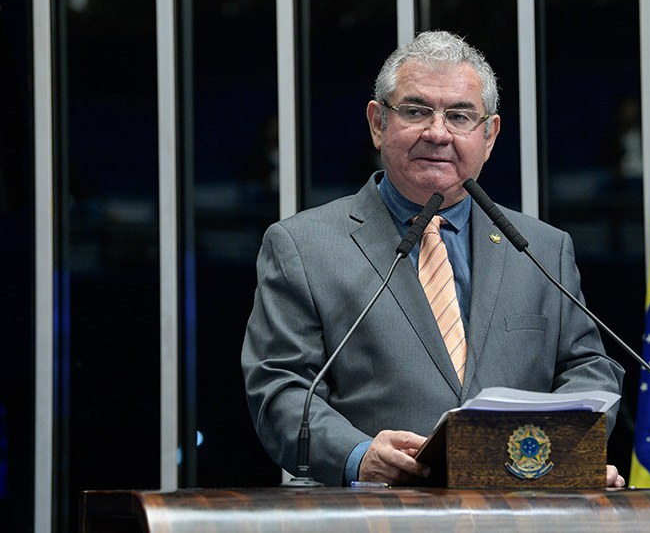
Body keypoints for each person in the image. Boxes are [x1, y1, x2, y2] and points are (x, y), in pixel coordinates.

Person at [241, 30, 626, 488]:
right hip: (374, 513)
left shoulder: (542, 248)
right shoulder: (303, 246)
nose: (437, 132)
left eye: (460, 116)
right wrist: (358, 454)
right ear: (378, 123)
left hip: (516, 511)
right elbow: (281, 390)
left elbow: (589, 370)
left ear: (489, 135)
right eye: (416, 111)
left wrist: (564, 450)